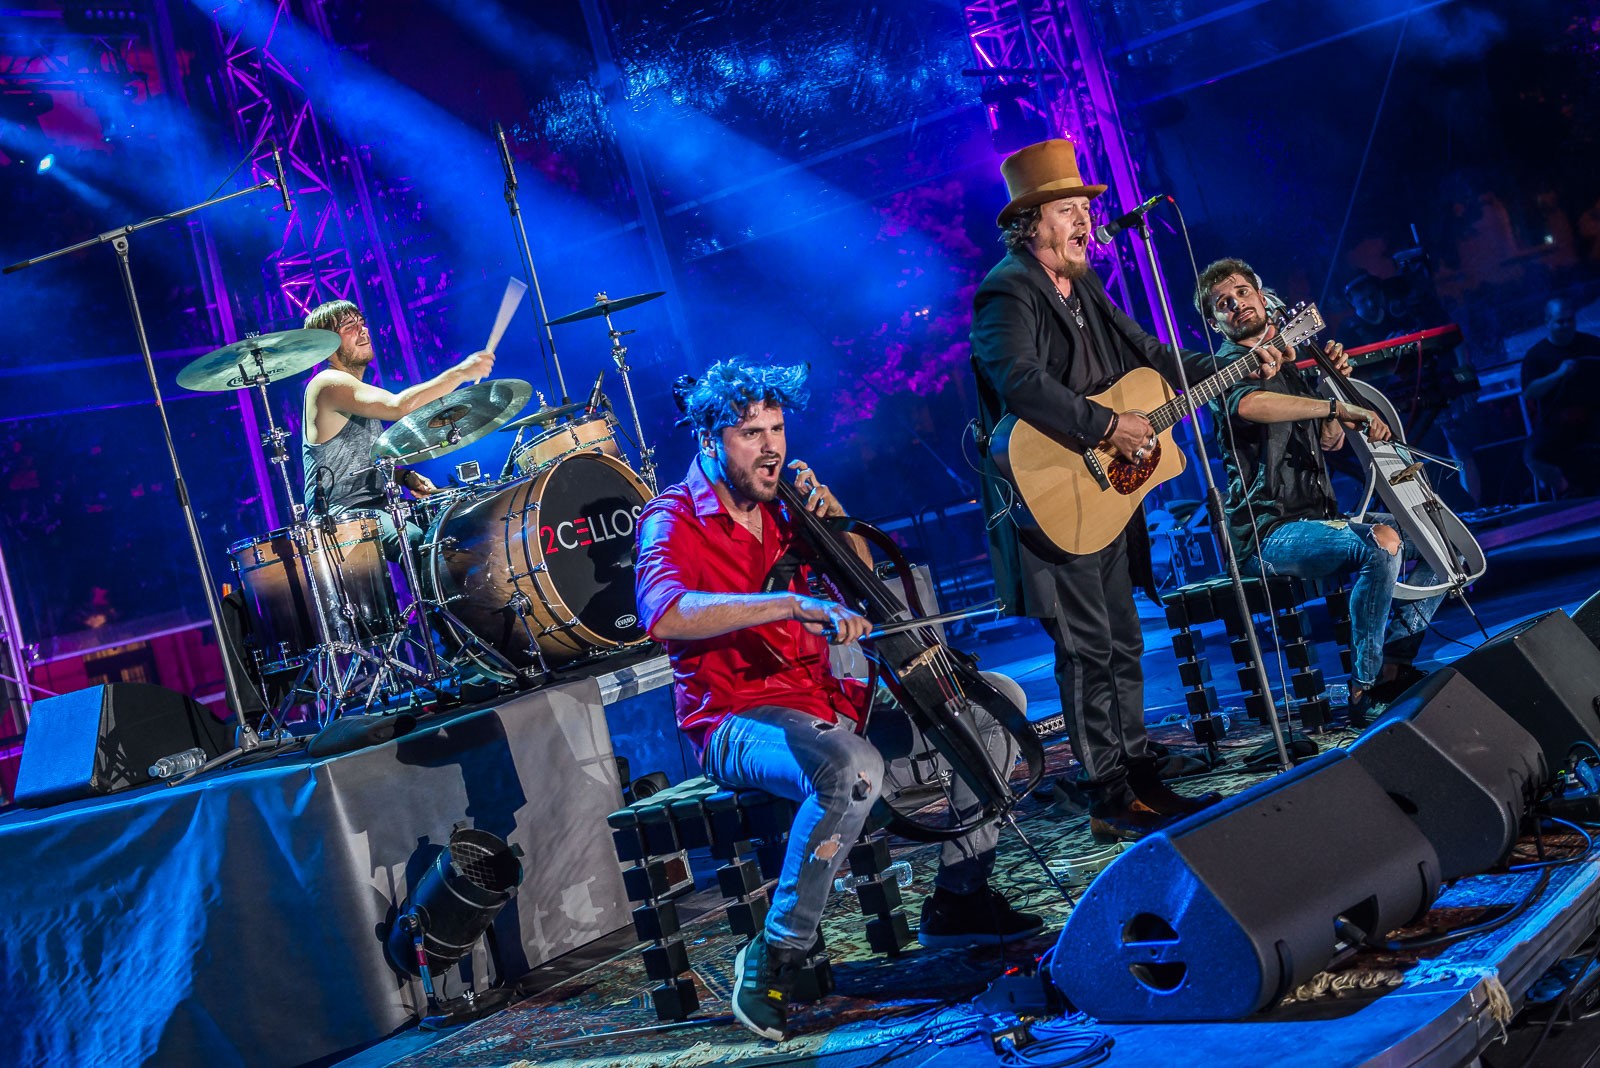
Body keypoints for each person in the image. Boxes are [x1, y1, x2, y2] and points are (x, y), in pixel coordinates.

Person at [634, 359, 1042, 1042]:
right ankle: (775, 952)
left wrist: (835, 521)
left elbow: (860, 579)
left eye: (776, 429)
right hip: (736, 718)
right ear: (709, 439)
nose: (770, 448)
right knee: (852, 768)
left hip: (826, 699)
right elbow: (666, 612)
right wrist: (789, 605)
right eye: (750, 434)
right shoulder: (670, 518)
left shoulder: (786, 505)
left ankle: (959, 898)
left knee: (994, 703)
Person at [969, 139, 1235, 845]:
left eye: (1085, 207)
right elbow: (1018, 381)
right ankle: (1109, 795)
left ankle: (1140, 775)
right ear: (1031, 223)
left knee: (1122, 639)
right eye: (1067, 209)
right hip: (1052, 491)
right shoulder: (1008, 289)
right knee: (1088, 650)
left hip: (1107, 494)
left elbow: (1149, 351)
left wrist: (1230, 366)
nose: (1085, 219)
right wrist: (1105, 424)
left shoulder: (1083, 283)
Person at [1195, 259, 1446, 721]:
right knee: (1381, 545)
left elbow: (1330, 441)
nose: (1237, 304)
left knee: (1439, 540)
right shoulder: (1226, 368)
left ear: (1262, 297)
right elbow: (1251, 405)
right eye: (1223, 304)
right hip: (1268, 532)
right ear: (1216, 324)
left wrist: (1335, 386)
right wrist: (1333, 406)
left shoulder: (1290, 363)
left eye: (1242, 293)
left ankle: (1394, 662)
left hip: (1317, 516)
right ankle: (1364, 689)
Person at [299, 299, 493, 560]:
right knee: (414, 539)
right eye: (349, 327)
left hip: (378, 506)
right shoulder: (327, 383)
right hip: (340, 515)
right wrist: (461, 372)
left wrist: (404, 476)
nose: (363, 330)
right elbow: (399, 406)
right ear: (326, 346)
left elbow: (363, 463)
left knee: (454, 519)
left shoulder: (356, 389)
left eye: (362, 323)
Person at [1520, 297, 1600, 498]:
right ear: (1547, 322)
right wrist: (1558, 375)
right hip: (1558, 422)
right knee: (1532, 455)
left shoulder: (1592, 344)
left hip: (1594, 415)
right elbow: (1529, 392)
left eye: (1570, 320)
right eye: (1560, 321)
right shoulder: (1536, 355)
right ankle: (1566, 490)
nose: (1566, 325)